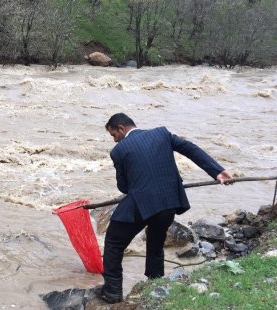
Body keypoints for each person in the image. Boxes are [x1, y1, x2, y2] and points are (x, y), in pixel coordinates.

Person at [97, 113, 232, 303]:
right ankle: (154, 285)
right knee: (155, 243)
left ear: (121, 128)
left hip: (142, 203)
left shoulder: (119, 151)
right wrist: (217, 171)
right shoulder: (162, 133)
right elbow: (190, 149)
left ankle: (112, 291)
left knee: (113, 242)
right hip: (169, 203)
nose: (114, 139)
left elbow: (124, 187)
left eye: (113, 135)